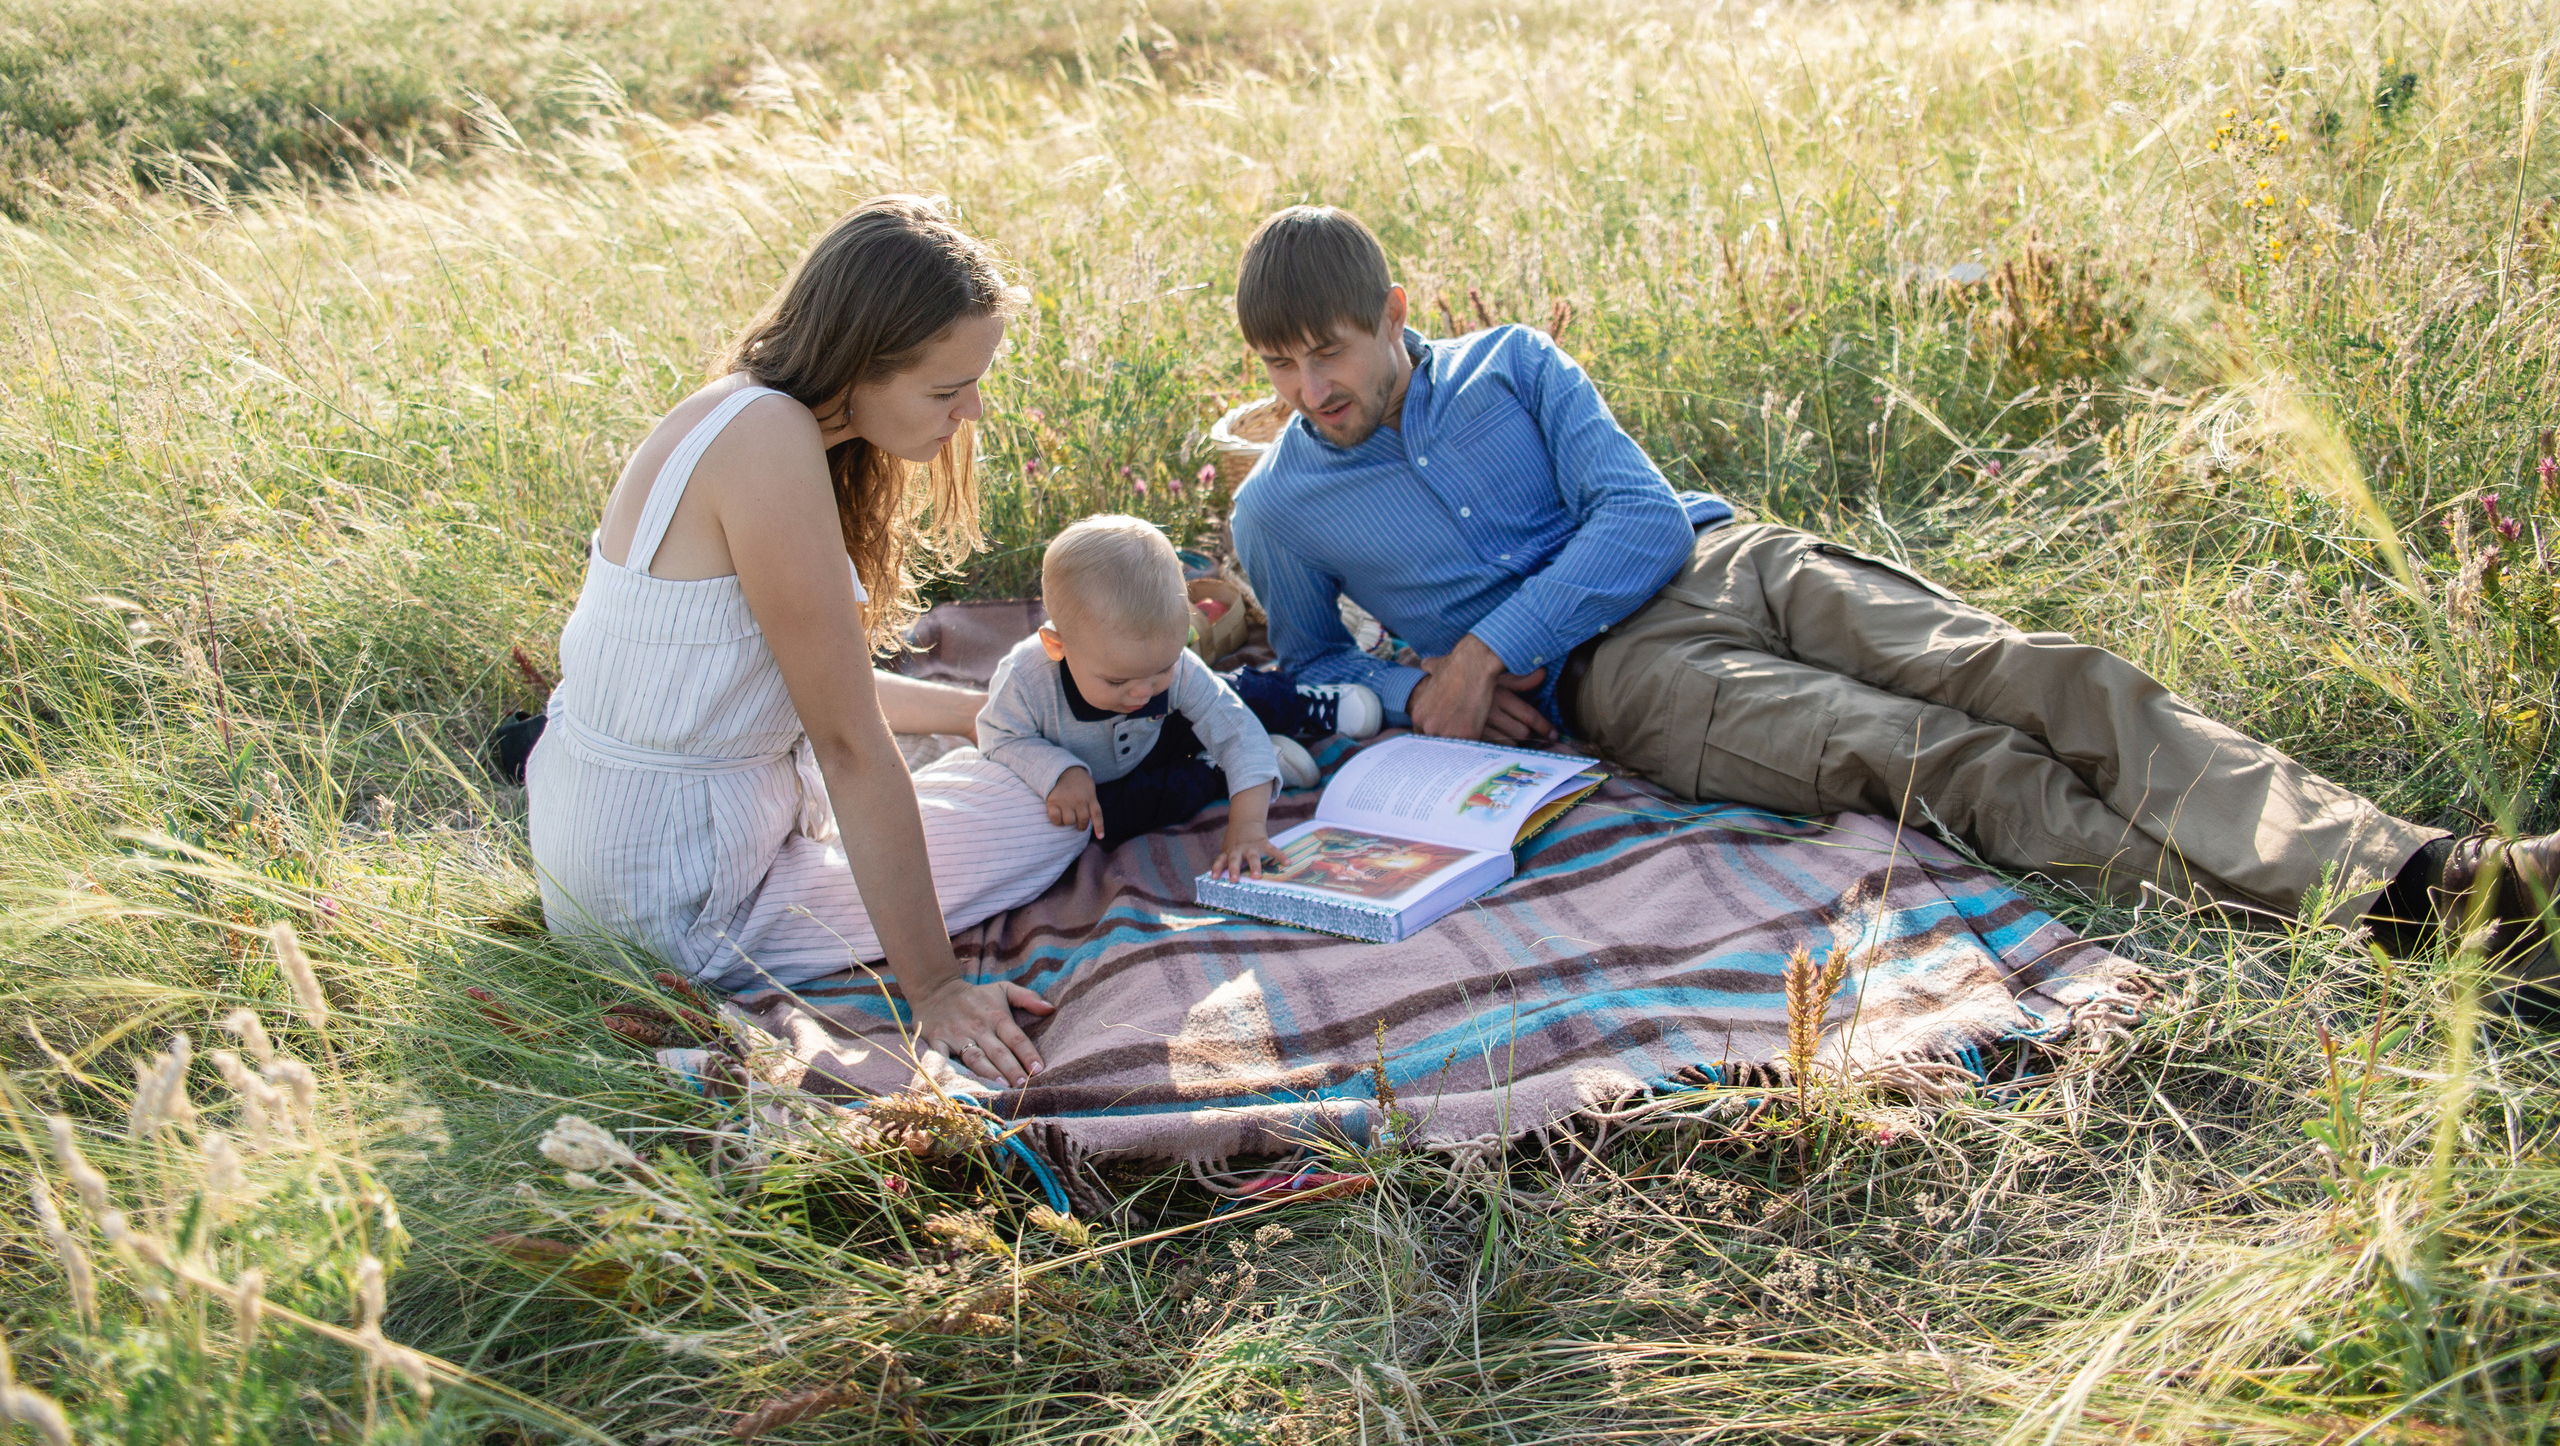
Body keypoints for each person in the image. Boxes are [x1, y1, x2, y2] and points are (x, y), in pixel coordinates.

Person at [1224, 204, 2557, 970]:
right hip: (1615, 678)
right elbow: (1310, 670)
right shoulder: (1279, 503)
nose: (1311, 391)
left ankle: (2434, 872)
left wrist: (1488, 636)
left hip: (1718, 557)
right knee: (1935, 753)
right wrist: (1425, 680)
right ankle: (2361, 929)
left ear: (1396, 308)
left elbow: (1633, 518)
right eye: (1281, 367)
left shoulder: (1516, 362)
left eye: (1330, 351)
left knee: (2036, 670)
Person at [526, 195, 1088, 1088]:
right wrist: (937, 987)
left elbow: (825, 688)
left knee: (1020, 745)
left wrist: (989, 710)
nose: (970, 410)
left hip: (602, 852)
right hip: (678, 901)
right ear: (861, 360)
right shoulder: (771, 442)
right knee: (1054, 811)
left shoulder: (740, 413)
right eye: (946, 389)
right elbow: (849, 741)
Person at [975, 514, 1364, 872]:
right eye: (1117, 681)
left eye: (1162, 666)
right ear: (1057, 647)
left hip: (1168, 728)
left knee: (1240, 698)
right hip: (1107, 771)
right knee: (1109, 818)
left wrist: (1247, 826)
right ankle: (1219, 770)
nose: (1143, 691)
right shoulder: (1025, 681)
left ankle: (1302, 705)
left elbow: (1234, 726)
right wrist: (1059, 770)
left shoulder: (1172, 670)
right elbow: (998, 737)